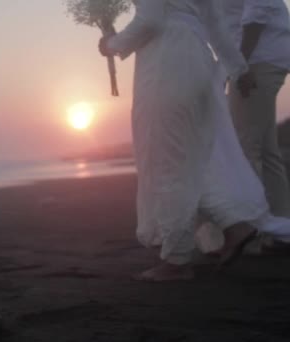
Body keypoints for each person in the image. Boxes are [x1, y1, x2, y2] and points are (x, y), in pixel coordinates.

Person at [98, 0, 290, 281]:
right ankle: (234, 225)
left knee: (168, 158)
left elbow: (150, 20)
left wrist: (112, 44)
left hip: (167, 64)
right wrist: (238, 69)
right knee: (195, 159)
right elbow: (217, 28)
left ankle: (177, 259)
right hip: (198, 63)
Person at [223, 0, 290, 218]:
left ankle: (251, 229)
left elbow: (257, 13)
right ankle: (282, 226)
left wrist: (240, 66)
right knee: (265, 150)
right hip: (257, 59)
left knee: (245, 149)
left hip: (255, 61)